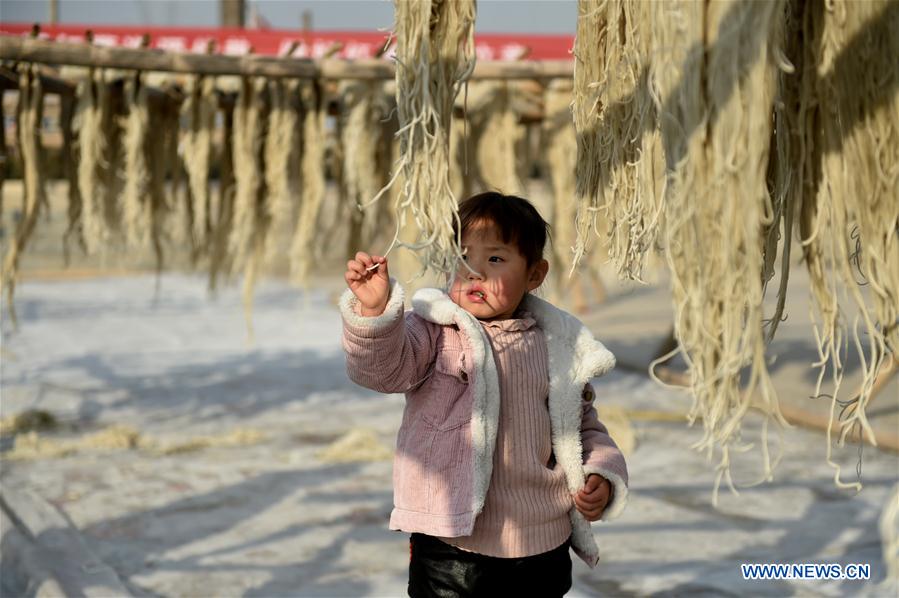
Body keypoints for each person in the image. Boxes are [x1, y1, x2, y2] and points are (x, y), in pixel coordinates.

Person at [340, 192, 628, 597]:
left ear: (535, 274)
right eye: (463, 256)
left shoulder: (556, 346)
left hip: (540, 545)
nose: (474, 271)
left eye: (495, 259)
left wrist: (602, 473)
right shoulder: (435, 331)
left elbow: (583, 428)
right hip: (451, 546)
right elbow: (381, 370)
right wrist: (375, 313)